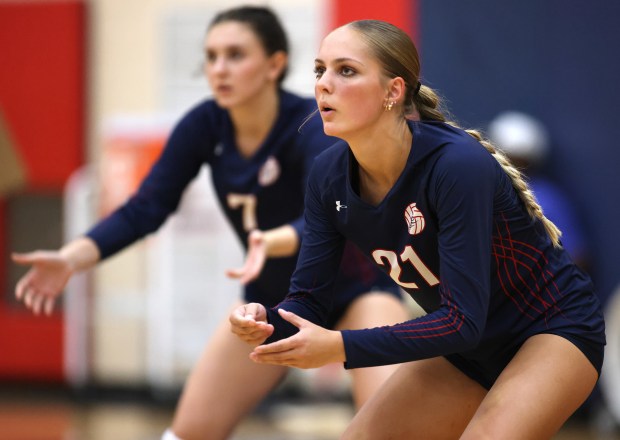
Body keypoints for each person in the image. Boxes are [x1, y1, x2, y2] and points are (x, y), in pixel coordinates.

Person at [11, 8, 409, 440]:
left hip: (358, 294)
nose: (219, 69)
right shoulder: (204, 125)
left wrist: (273, 240)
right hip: (272, 304)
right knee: (185, 435)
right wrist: (70, 258)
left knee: (392, 430)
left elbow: (335, 214)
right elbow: (145, 208)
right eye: (212, 56)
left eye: (235, 55)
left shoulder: (311, 125)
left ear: (274, 64)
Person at [230, 19, 606, 439]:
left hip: (548, 328)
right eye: (320, 70)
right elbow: (308, 299)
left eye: (346, 70)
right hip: (466, 347)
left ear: (393, 91)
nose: (324, 84)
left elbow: (462, 320)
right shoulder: (328, 176)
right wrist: (268, 320)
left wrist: (340, 346)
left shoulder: (455, 166)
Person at [487, 110, 591, 271]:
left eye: (518, 158)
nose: (511, 163)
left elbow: (577, 256)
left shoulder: (548, 198)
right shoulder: (485, 192)